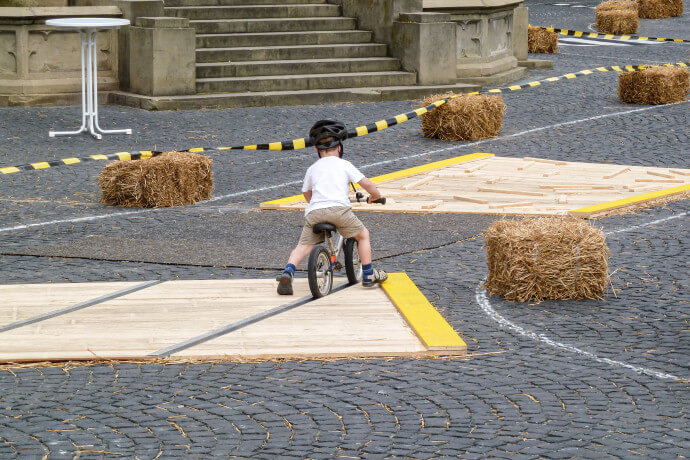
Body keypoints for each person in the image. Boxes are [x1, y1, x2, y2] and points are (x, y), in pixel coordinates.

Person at [276, 119, 388, 295]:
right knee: (363, 235)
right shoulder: (344, 164)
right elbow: (366, 183)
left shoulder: (312, 168)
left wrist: (316, 204)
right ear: (340, 147)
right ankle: (367, 275)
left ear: (317, 150)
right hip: (339, 210)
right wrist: (376, 196)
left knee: (303, 246)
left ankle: (287, 272)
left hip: (315, 212)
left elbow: (306, 193)